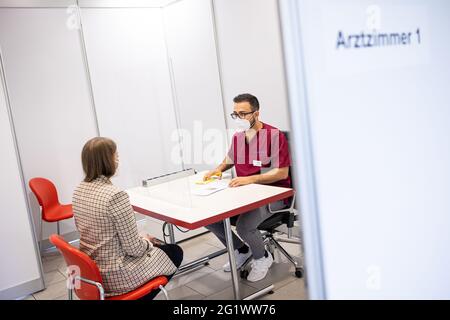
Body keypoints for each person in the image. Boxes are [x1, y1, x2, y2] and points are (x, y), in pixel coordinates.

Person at [72, 137, 183, 299]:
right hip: (116, 276)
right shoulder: (115, 196)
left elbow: (102, 233)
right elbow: (134, 249)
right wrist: (146, 241)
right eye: (116, 156)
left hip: (90, 273)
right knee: (174, 251)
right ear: (108, 161)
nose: (118, 160)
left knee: (155, 246)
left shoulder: (78, 190)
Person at [204, 93, 291, 282]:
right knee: (209, 218)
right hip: (246, 194)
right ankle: (241, 250)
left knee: (244, 226)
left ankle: (262, 258)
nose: (239, 118)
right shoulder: (238, 137)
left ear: (256, 113)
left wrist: (251, 179)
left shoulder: (273, 136)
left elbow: (282, 173)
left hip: (274, 195)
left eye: (243, 114)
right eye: (235, 114)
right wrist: (217, 170)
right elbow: (231, 158)